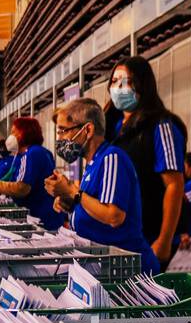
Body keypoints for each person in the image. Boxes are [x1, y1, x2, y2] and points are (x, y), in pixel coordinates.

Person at [44, 98, 158, 274]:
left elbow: (114, 216)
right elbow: (91, 206)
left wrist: (74, 193)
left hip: (126, 271)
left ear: (88, 130)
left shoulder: (111, 158)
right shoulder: (92, 164)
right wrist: (68, 203)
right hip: (104, 267)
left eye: (63, 131)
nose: (59, 139)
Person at [103, 56, 188, 264]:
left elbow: (174, 185)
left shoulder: (161, 125)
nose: (119, 88)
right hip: (120, 236)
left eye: (127, 81)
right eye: (114, 81)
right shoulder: (112, 126)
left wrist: (164, 240)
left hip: (149, 237)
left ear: (143, 85)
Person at [0, 117, 63, 230]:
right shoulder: (37, 152)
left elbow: (22, 188)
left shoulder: (32, 154)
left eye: (14, 132)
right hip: (46, 214)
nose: (11, 136)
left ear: (25, 132)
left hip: (40, 216)